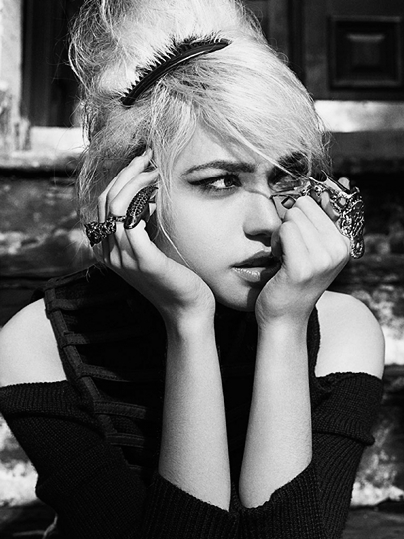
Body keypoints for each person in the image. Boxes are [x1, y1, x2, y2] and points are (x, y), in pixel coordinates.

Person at [0, 0, 384, 537]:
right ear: (134, 190)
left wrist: (285, 326)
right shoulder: (36, 343)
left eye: (284, 178)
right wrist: (188, 323)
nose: (267, 223)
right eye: (219, 182)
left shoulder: (339, 326)